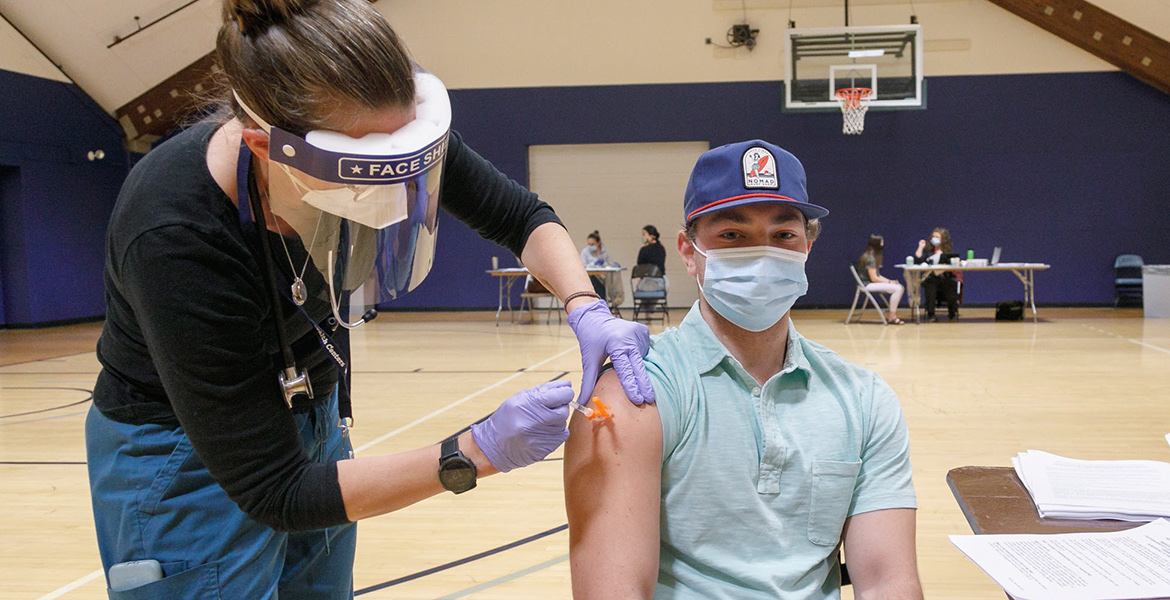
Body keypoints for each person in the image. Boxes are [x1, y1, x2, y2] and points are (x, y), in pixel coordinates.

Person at [84, 1, 654, 597]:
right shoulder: (174, 235)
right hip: (183, 448)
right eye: (364, 174)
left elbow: (520, 216)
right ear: (265, 149)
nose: (391, 190)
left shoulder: (381, 129)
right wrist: (474, 452)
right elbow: (275, 490)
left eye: (401, 165)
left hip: (311, 401)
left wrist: (584, 305)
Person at [565, 141, 921, 599]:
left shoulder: (864, 398)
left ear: (807, 245)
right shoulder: (634, 393)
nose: (762, 254)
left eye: (783, 236)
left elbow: (888, 581)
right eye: (733, 236)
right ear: (689, 252)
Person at [913, 227, 960, 321]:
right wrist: (920, 247)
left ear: (943, 240)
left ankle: (952, 313)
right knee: (931, 283)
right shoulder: (927, 251)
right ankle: (931, 315)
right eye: (933, 237)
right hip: (931, 277)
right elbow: (918, 260)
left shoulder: (947, 252)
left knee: (952, 282)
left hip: (945, 277)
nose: (934, 239)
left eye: (937, 237)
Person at [856, 234, 905, 324]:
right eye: (881, 242)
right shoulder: (870, 258)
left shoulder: (872, 255)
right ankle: (892, 316)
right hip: (867, 284)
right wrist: (889, 282)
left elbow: (878, 276)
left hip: (870, 283)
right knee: (898, 288)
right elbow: (874, 278)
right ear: (877, 244)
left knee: (898, 287)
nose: (883, 243)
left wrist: (890, 281)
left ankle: (891, 315)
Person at [581, 230, 612, 302]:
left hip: (603, 278)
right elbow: (583, 266)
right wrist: (594, 264)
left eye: (592, 244)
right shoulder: (585, 252)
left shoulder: (605, 252)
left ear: (598, 243)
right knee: (594, 281)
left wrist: (604, 264)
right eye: (589, 244)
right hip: (590, 277)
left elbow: (610, 264)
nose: (590, 246)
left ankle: (609, 301)